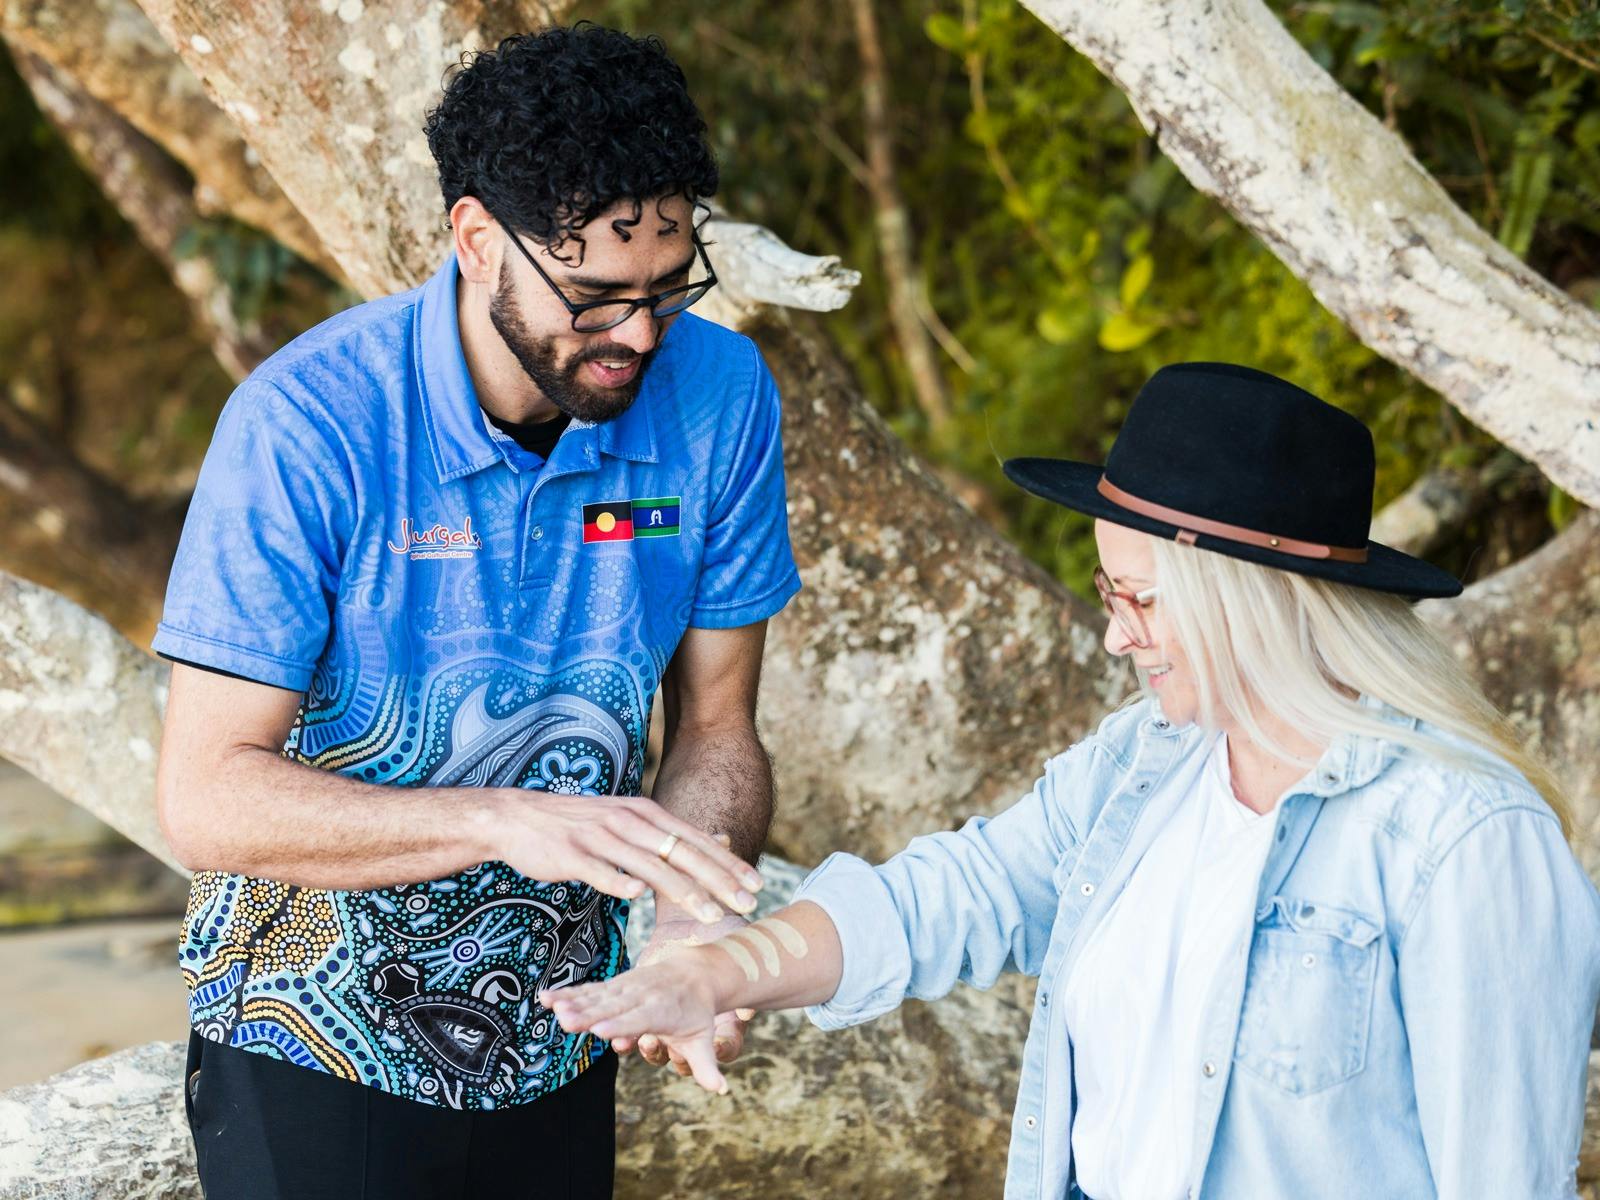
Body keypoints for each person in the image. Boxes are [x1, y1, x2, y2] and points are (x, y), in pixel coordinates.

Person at [544, 362, 1600, 1199]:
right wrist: (716, 974)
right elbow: (947, 898)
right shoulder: (1140, 767)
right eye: (1107, 592)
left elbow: (1505, 1180)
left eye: (1138, 599)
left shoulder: (1463, 837)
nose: (1110, 636)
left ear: (1247, 600)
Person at [152, 24, 798, 1200]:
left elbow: (714, 728)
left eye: (667, 288)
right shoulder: (306, 423)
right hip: (313, 1036)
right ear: (475, 240)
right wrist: (504, 820)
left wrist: (690, 929)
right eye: (596, 298)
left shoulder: (719, 397)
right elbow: (206, 797)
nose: (639, 337)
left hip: (562, 1034)